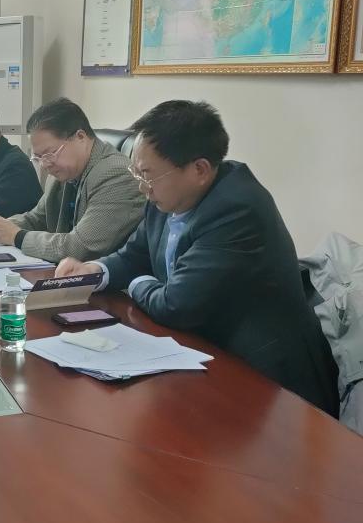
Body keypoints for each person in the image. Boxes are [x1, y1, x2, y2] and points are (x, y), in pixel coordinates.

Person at [55, 100, 338, 414]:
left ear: (199, 170)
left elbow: (175, 305)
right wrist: (94, 270)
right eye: (137, 173)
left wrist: (137, 283)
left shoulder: (237, 209)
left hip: (267, 384)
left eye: (147, 175)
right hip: (202, 352)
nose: (142, 188)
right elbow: (135, 254)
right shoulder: (166, 194)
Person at [0, 98, 144, 262]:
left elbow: (78, 247)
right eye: (38, 157)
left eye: (49, 154)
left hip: (111, 285)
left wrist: (16, 236)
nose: (44, 165)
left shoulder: (115, 175)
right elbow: (37, 218)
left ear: (80, 137)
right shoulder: (63, 171)